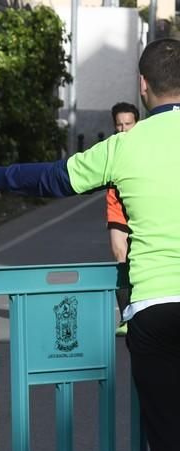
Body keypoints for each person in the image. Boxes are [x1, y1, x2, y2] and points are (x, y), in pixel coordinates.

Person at [0, 38, 180, 451]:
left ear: (143, 87)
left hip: (156, 308)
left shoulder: (125, 145)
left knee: (168, 439)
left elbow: (54, 179)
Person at [107, 102, 140, 336]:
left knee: (138, 256)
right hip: (116, 204)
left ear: (136, 124)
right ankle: (126, 315)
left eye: (128, 124)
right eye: (119, 124)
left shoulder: (147, 144)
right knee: (120, 253)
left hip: (141, 203)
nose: (123, 129)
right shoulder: (110, 147)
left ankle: (143, 309)